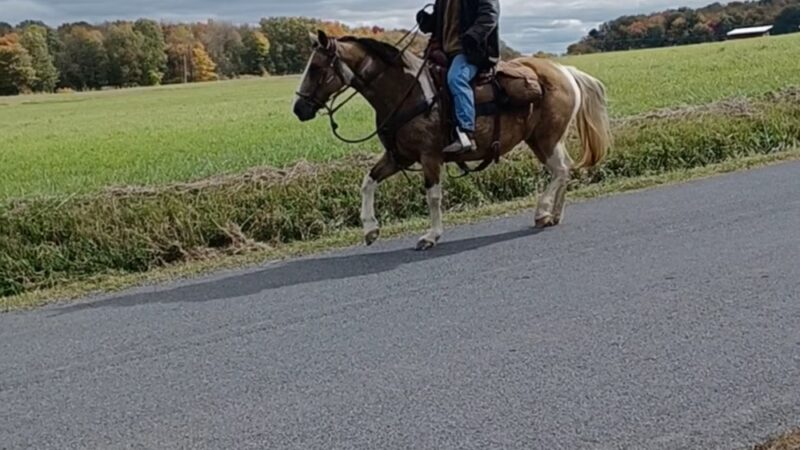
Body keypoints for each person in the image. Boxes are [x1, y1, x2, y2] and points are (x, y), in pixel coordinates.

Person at [416, 0, 500, 154]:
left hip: (472, 53)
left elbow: (490, 15)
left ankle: (466, 133)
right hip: (445, 53)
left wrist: (473, 36)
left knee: (456, 79)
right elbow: (439, 24)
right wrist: (426, 21)